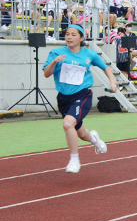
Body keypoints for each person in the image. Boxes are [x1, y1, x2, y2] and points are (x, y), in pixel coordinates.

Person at [42, 24, 116, 173]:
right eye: (67, 34)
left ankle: (74, 160)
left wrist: (112, 83)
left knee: (68, 124)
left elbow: (106, 68)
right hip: (64, 98)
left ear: (82, 38)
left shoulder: (90, 54)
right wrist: (54, 62)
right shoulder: (56, 53)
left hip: (82, 95)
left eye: (73, 34)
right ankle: (95, 139)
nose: (69, 37)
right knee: (80, 133)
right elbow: (46, 74)